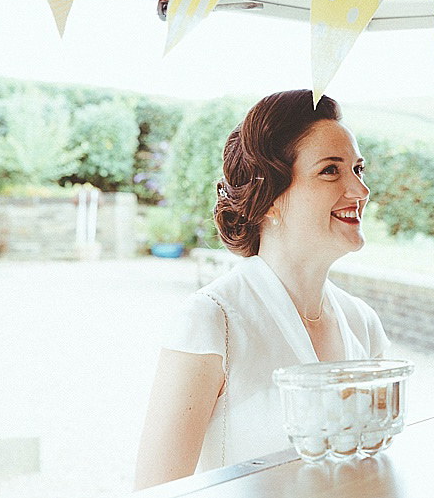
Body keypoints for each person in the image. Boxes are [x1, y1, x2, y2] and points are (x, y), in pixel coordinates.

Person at [134, 90, 390, 489]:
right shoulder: (212, 319)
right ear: (268, 198)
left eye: (358, 169)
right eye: (330, 171)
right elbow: (156, 491)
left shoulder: (363, 323)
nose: (360, 190)